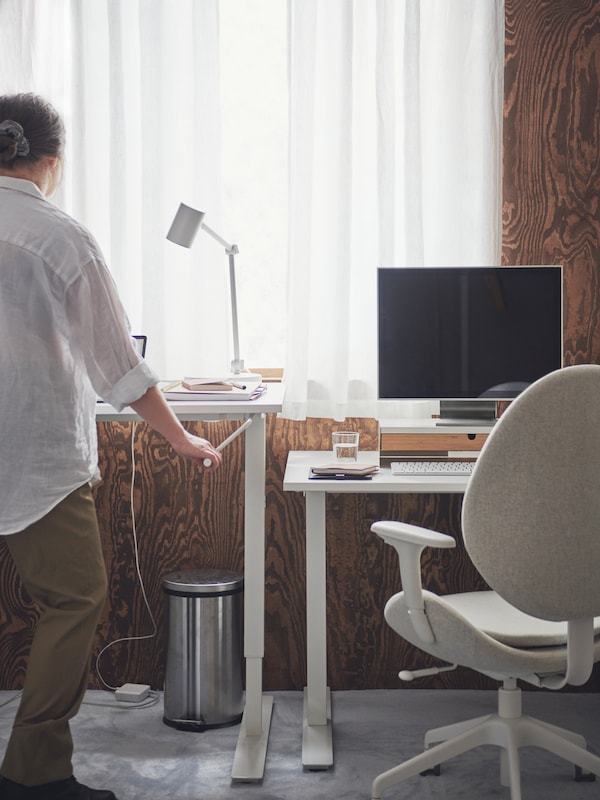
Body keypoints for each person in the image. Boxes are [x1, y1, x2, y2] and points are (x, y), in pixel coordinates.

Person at [0, 93, 223, 800]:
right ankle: (34, 773)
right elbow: (115, 365)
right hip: (32, 454)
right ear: (51, 161)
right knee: (75, 598)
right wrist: (180, 435)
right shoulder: (58, 235)